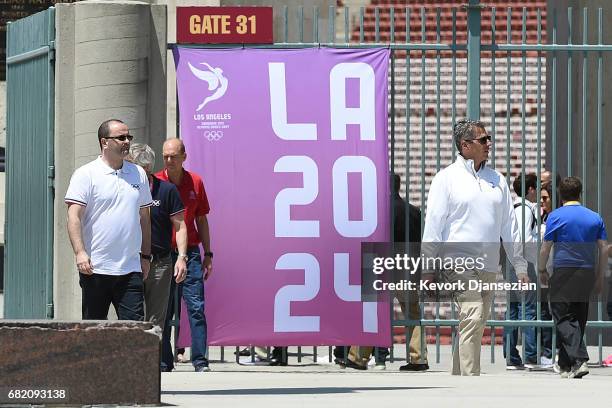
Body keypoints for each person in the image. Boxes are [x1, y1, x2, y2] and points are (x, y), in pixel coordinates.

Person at [421, 118, 528, 376]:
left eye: (488, 138)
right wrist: (427, 267)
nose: (488, 143)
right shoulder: (445, 179)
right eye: (483, 140)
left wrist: (520, 266)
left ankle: (459, 380)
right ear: (465, 145)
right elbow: (433, 224)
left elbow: (509, 227)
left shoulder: (497, 180)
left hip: (489, 265)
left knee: (475, 323)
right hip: (458, 262)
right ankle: (472, 379)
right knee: (472, 313)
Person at [65, 119, 152, 320]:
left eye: (128, 137)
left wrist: (146, 257)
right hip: (95, 268)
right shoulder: (86, 174)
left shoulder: (138, 173)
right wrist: (80, 253)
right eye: (121, 137)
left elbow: (145, 219)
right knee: (94, 334)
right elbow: (73, 216)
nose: (127, 141)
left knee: (134, 334)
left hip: (130, 269)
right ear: (104, 142)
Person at [343, 173, 429, 371]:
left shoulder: (376, 210)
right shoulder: (414, 212)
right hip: (408, 266)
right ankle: (418, 358)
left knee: (371, 312)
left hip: (381, 265)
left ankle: (359, 356)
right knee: (412, 313)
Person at [539, 176, 608, 379]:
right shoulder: (595, 217)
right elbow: (603, 250)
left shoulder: (555, 216)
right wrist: (600, 277)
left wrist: (542, 270)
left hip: (564, 271)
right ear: (580, 193)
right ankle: (566, 364)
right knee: (578, 316)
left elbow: (546, 247)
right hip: (587, 271)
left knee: (561, 315)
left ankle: (579, 359)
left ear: (560, 195)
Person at [157, 138, 213, 373]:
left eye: (174, 156)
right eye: (166, 156)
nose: (169, 160)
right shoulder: (155, 182)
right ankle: (163, 361)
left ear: (184, 156)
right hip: (162, 254)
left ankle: (200, 361)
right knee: (163, 310)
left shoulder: (196, 182)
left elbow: (202, 219)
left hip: (189, 253)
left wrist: (208, 253)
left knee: (196, 307)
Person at [127, 144, 188, 336]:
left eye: (132, 167)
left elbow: (180, 226)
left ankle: (153, 364)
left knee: (155, 322)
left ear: (146, 168)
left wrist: (182, 257)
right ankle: (132, 364)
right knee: (131, 318)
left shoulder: (167, 190)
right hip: (130, 263)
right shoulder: (122, 189)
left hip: (160, 264)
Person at [503, 173, 539, 370]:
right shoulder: (525, 210)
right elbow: (522, 239)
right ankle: (531, 356)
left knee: (514, 309)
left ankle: (511, 355)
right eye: (538, 188)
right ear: (531, 189)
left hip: (512, 262)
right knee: (528, 309)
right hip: (522, 263)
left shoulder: (514, 208)